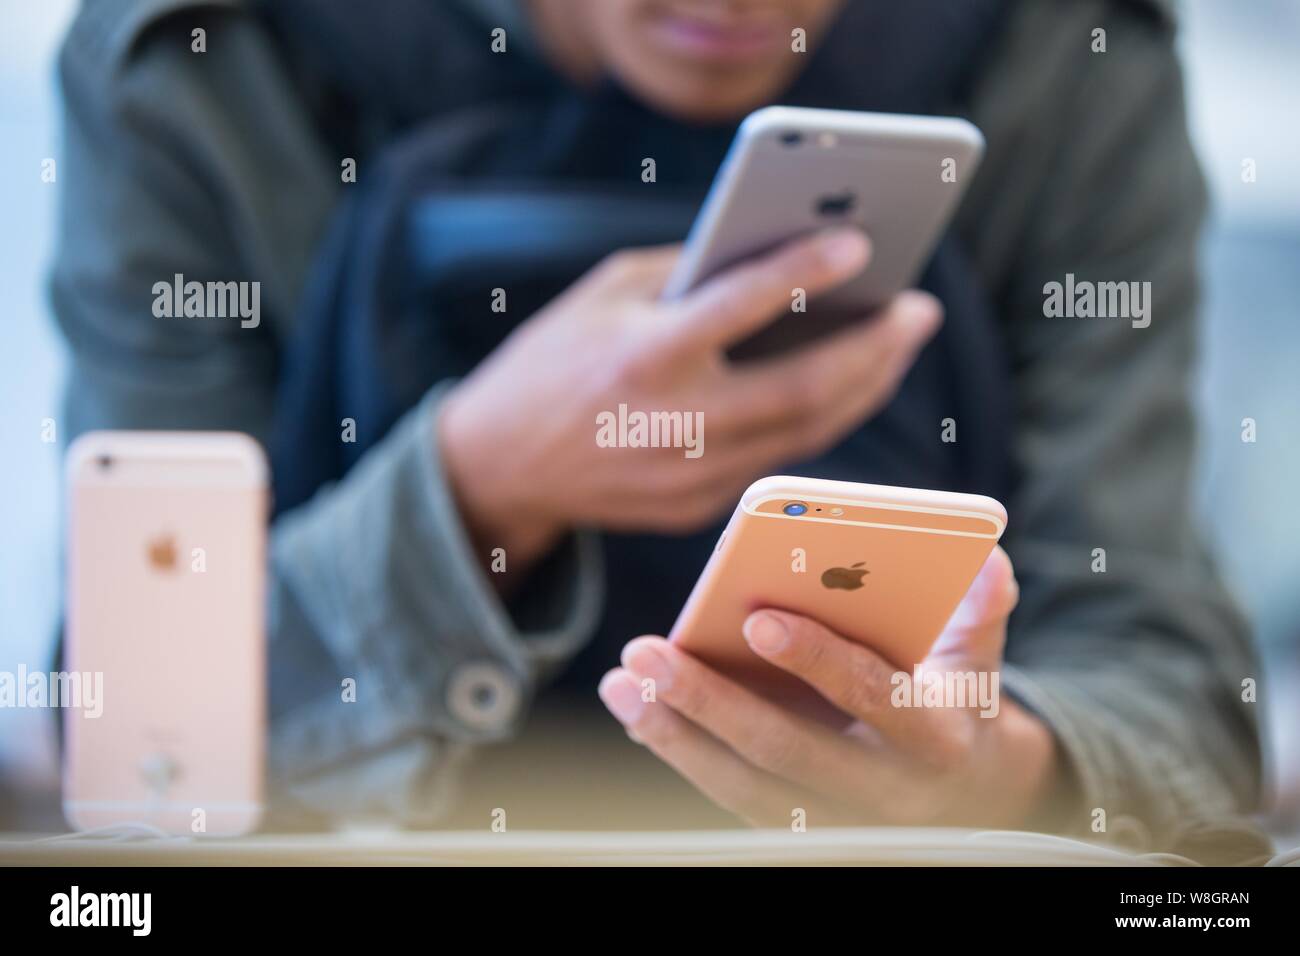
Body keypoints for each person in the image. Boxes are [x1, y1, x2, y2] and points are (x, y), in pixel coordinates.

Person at [52, 0, 1262, 856]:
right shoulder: (205, 65)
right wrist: (479, 480)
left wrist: (993, 773)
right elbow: (130, 735)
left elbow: (1178, 701)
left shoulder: (1065, 59)